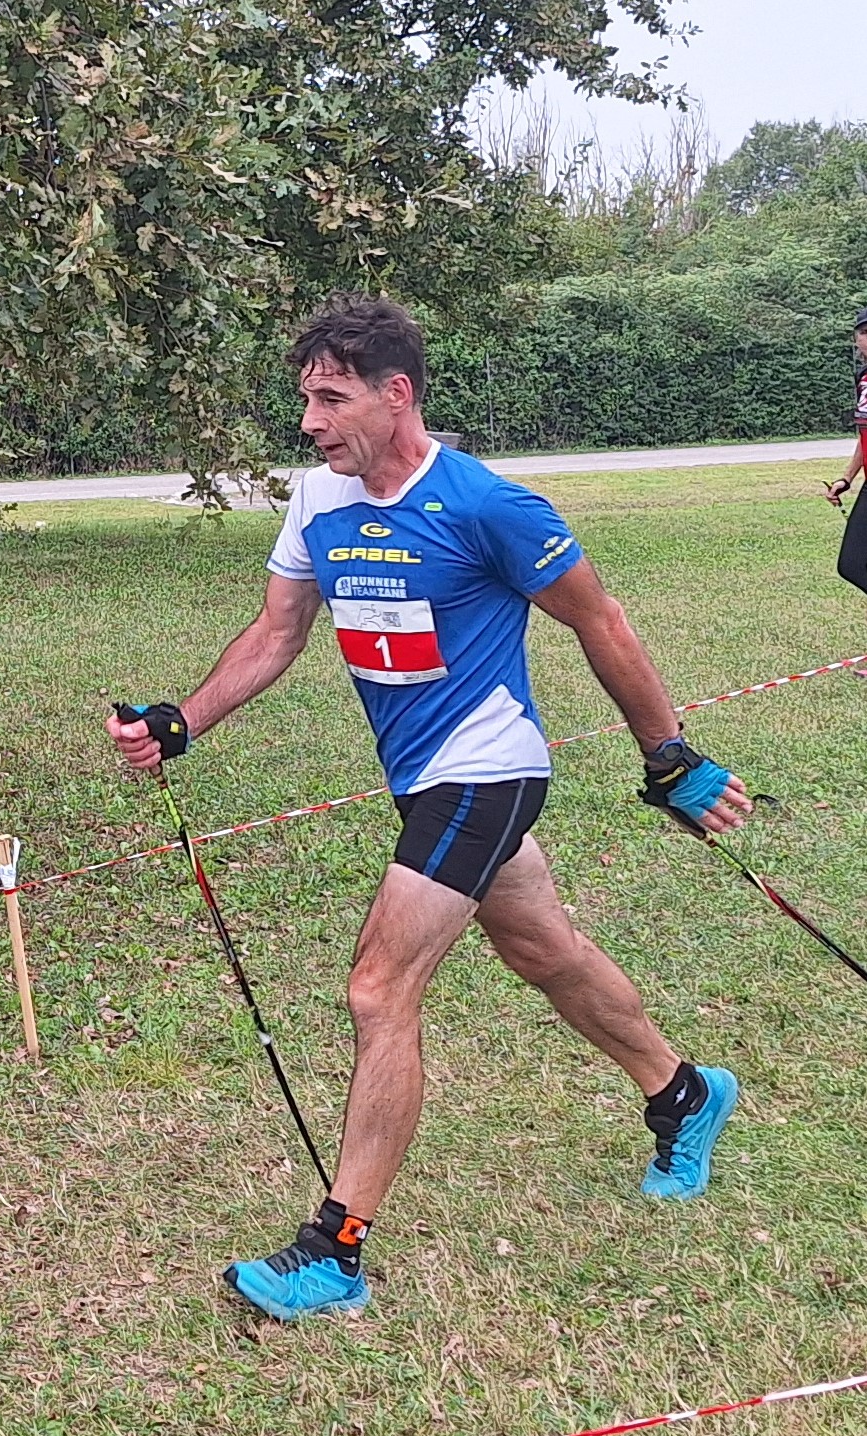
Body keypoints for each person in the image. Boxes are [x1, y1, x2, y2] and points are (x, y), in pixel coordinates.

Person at [105, 294, 755, 1324]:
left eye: (331, 399)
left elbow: (601, 620)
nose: (310, 422)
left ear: (395, 394)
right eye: (306, 399)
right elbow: (277, 632)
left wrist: (669, 756)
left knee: (379, 988)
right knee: (543, 949)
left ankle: (335, 1252)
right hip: (420, 776)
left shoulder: (488, 505)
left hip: (486, 766)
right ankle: (682, 1092)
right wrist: (182, 720)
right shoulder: (318, 500)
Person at [829, 309, 867, 599]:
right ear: (855, 340)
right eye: (864, 333)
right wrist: (846, 478)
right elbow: (864, 436)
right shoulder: (862, 378)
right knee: (852, 565)